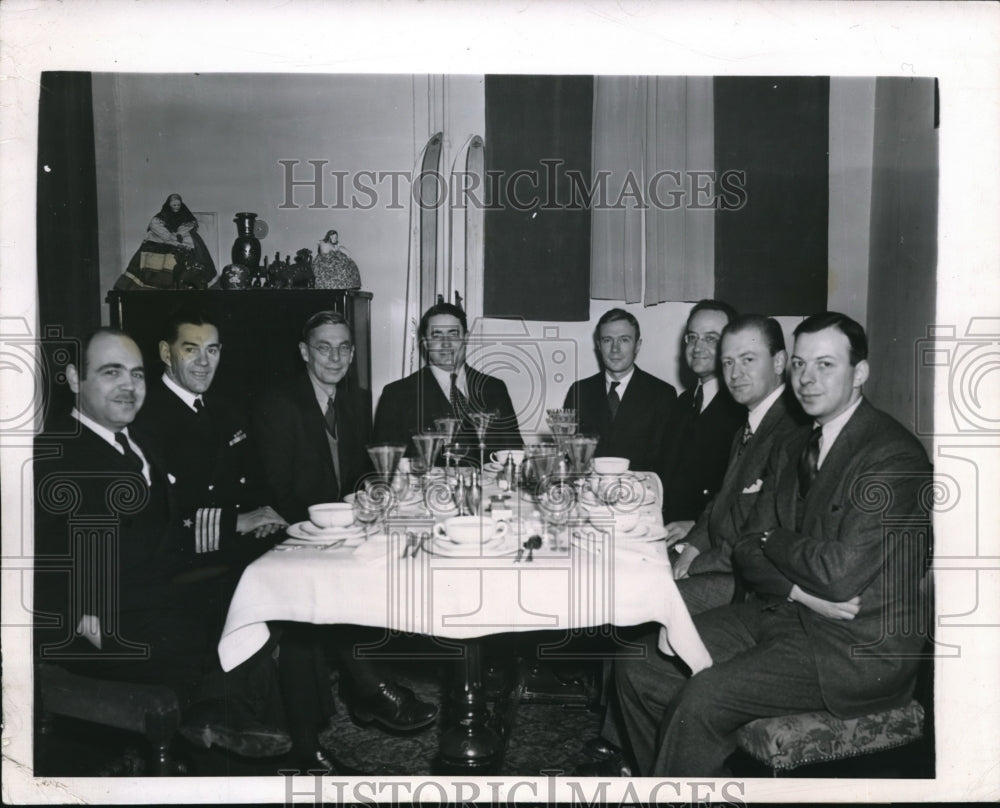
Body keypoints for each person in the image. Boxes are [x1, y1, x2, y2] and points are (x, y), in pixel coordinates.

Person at [615, 312, 932, 776]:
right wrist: (792, 581)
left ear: (859, 373)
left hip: (852, 650)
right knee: (639, 665)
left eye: (825, 365)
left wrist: (773, 540)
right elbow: (746, 549)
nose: (807, 378)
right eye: (801, 365)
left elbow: (840, 575)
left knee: (702, 699)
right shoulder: (796, 444)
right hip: (787, 613)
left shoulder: (891, 455)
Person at [33, 329, 290, 760]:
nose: (129, 386)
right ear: (75, 378)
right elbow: (39, 563)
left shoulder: (141, 441)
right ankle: (217, 722)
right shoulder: (54, 457)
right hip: (105, 624)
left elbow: (170, 532)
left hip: (162, 594)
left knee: (267, 592)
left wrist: (238, 534)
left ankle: (222, 720)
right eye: (111, 372)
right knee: (224, 626)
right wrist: (82, 617)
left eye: (136, 374)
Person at [253, 311, 437, 774]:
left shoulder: (356, 400)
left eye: (343, 348)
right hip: (291, 528)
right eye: (323, 347)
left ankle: (365, 689)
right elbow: (277, 487)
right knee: (314, 600)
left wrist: (370, 503)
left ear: (353, 354)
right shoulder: (279, 402)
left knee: (385, 565)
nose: (334, 357)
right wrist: (335, 521)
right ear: (304, 351)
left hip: (338, 526)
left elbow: (360, 473)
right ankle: (363, 691)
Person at [130, 309, 287, 625]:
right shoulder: (144, 418)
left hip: (239, 551)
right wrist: (237, 522)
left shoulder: (227, 407)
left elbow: (256, 477)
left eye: (212, 350)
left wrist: (265, 513)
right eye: (191, 349)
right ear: (165, 352)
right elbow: (156, 519)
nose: (204, 362)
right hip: (183, 569)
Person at [671, 314, 807, 615]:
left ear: (778, 362)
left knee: (651, 597)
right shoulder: (749, 424)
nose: (735, 373)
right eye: (728, 362)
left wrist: (695, 563)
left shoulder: (792, 432)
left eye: (748, 360)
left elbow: (760, 536)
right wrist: (691, 546)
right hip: (720, 561)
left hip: (751, 583)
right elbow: (723, 500)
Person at [372, 302, 522, 460]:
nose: (445, 343)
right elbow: (386, 466)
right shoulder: (397, 395)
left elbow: (515, 455)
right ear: (424, 342)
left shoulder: (494, 388)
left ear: (466, 337)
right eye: (436, 335)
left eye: (453, 334)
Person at [660, 299, 745, 526]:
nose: (697, 347)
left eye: (710, 338)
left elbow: (744, 496)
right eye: (692, 337)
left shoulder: (742, 409)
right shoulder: (683, 402)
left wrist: (698, 525)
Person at [562, 308, 676, 472]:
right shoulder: (579, 391)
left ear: (637, 345)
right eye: (608, 340)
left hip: (639, 492)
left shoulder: (662, 394)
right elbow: (568, 454)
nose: (615, 349)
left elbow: (664, 461)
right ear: (599, 346)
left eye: (624, 340)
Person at [115, 193, 217, 290]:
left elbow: (188, 225)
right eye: (174, 205)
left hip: (179, 242)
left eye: (178, 205)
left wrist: (178, 235)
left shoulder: (187, 217)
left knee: (188, 262)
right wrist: (168, 236)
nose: (176, 207)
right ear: (169, 205)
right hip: (161, 241)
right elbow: (155, 225)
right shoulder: (161, 216)